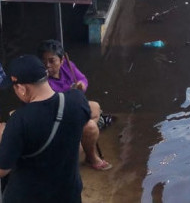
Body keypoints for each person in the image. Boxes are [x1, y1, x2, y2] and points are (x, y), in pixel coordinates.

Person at [0, 55, 90, 202]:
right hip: (68, 194)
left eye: (14, 88)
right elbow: (78, 132)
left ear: (21, 88)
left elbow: (2, 169)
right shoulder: (77, 100)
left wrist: (4, 137)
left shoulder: (19, 121)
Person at [37, 40, 112, 171]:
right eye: (43, 61)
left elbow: (82, 79)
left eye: (52, 61)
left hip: (73, 108)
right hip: (56, 116)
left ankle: (79, 138)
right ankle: (91, 156)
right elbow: (51, 102)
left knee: (95, 107)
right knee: (90, 127)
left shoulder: (68, 66)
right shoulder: (40, 77)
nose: (47, 65)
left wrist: (81, 86)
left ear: (61, 61)